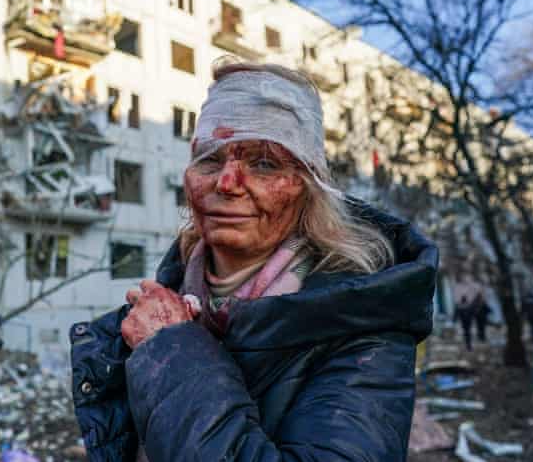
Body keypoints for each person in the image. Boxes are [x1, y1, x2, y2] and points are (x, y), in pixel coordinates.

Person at [70, 60, 438, 461]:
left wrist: (172, 351)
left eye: (264, 164)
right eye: (210, 159)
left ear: (308, 187)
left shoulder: (364, 329)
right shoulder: (166, 304)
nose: (225, 183)